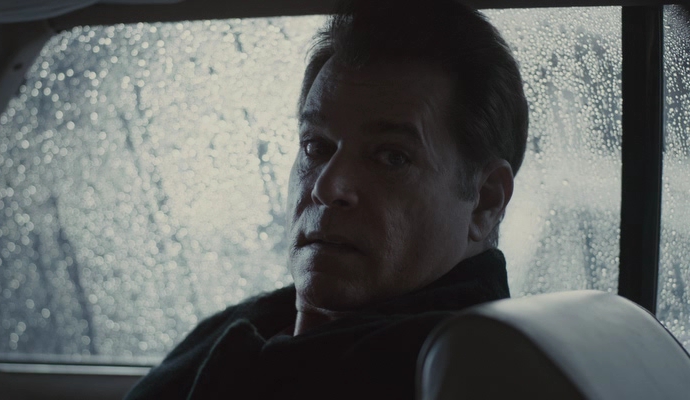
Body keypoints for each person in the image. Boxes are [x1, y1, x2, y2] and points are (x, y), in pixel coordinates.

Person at [125, 0, 527, 398]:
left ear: (485, 201)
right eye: (316, 147)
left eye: (392, 157)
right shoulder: (252, 326)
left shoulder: (451, 374)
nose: (327, 187)